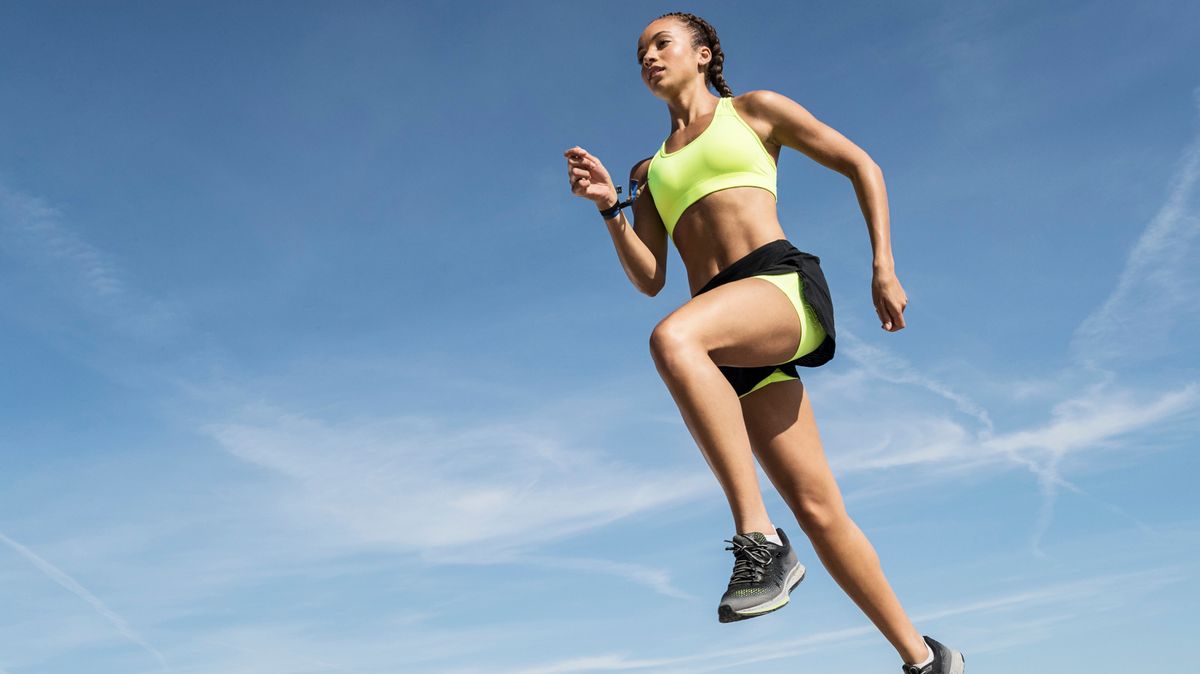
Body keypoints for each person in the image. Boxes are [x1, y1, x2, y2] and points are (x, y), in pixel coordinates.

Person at [563, 11, 964, 674]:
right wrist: (611, 208)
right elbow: (650, 276)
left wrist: (883, 264)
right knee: (819, 509)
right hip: (724, 337)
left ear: (703, 53)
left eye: (661, 44)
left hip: (777, 288)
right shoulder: (649, 169)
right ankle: (923, 658)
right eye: (640, 53)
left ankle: (758, 537)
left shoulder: (753, 111)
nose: (649, 58)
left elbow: (861, 164)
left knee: (672, 339)